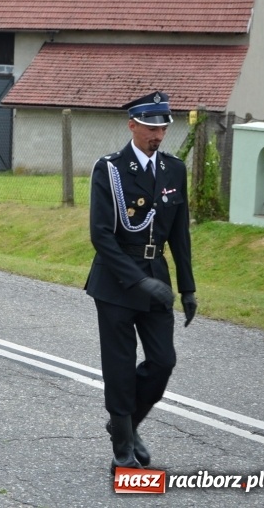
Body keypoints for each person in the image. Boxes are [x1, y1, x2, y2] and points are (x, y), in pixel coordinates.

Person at [85, 91, 197, 473]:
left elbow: (180, 234)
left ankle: (128, 423)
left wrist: (188, 287)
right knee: (118, 366)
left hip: (157, 276)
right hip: (116, 280)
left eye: (163, 127)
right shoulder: (110, 169)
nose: (158, 135)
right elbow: (101, 235)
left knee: (163, 361)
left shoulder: (173, 169)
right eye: (151, 127)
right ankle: (122, 444)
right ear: (132, 125)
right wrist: (137, 281)